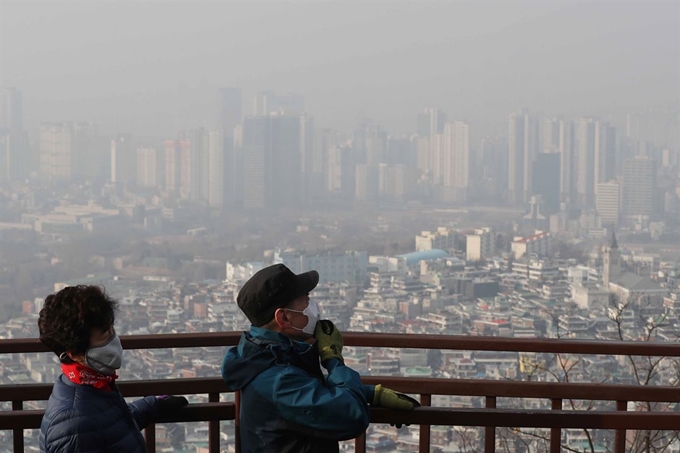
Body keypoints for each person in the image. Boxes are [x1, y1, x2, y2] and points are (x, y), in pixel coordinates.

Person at [222, 264, 419, 453]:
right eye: (306, 299)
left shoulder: (264, 357)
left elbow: (307, 388)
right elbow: (352, 416)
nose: (312, 305)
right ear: (283, 318)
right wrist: (333, 358)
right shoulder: (278, 381)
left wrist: (371, 394)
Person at [38, 285, 188, 453]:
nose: (114, 339)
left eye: (112, 329)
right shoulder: (74, 426)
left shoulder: (88, 385)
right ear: (74, 352)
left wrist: (152, 405)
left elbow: (110, 427)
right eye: (105, 335)